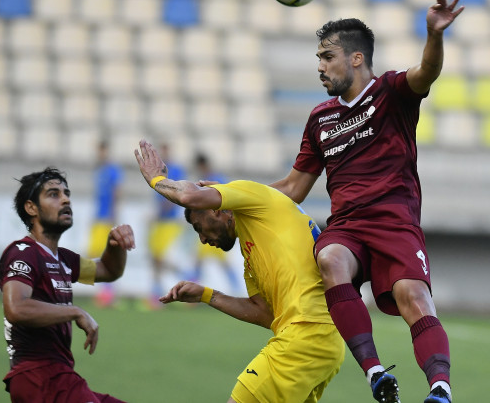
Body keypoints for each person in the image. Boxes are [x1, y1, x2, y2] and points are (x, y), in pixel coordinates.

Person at [269, 0, 464, 403]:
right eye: (318, 58)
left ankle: (440, 391)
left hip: (395, 221)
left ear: (356, 58)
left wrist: (433, 34)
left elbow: (427, 71)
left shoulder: (391, 92)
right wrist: (227, 196)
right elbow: (293, 188)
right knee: (329, 258)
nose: (320, 66)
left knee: (414, 297)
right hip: (348, 226)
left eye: (327, 56)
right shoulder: (320, 119)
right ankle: (375, 373)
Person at [134, 139, 345, 403]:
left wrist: (156, 180)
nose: (202, 239)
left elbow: (188, 195)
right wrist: (206, 295)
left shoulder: (250, 195)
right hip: (323, 342)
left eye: (199, 227)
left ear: (217, 208)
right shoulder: (253, 250)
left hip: (305, 334)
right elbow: (265, 312)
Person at [0, 167, 135, 402]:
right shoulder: (23, 253)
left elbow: (109, 270)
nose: (65, 199)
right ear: (31, 208)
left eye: (66, 193)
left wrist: (114, 244)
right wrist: (74, 311)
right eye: (54, 194)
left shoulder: (63, 259)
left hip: (58, 376)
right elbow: (16, 308)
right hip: (38, 376)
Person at [189, 152, 243, 295]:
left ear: (202, 165)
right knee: (202, 261)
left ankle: (236, 289)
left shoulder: (216, 180)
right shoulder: (212, 179)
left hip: (216, 230)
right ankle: (236, 289)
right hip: (210, 229)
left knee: (213, 263)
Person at [145, 143, 187, 310]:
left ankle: (187, 278)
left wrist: (160, 212)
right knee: (154, 259)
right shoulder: (157, 172)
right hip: (160, 222)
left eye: (165, 149)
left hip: (170, 222)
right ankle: (156, 297)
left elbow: (177, 194)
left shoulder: (175, 170)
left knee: (161, 258)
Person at [88, 141, 124, 307]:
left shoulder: (113, 171)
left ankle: (109, 295)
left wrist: (114, 215)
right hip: (99, 218)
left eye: (102, 151)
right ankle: (107, 293)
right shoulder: (99, 170)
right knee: (94, 253)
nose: (100, 154)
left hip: (107, 218)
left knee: (103, 254)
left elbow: (117, 193)